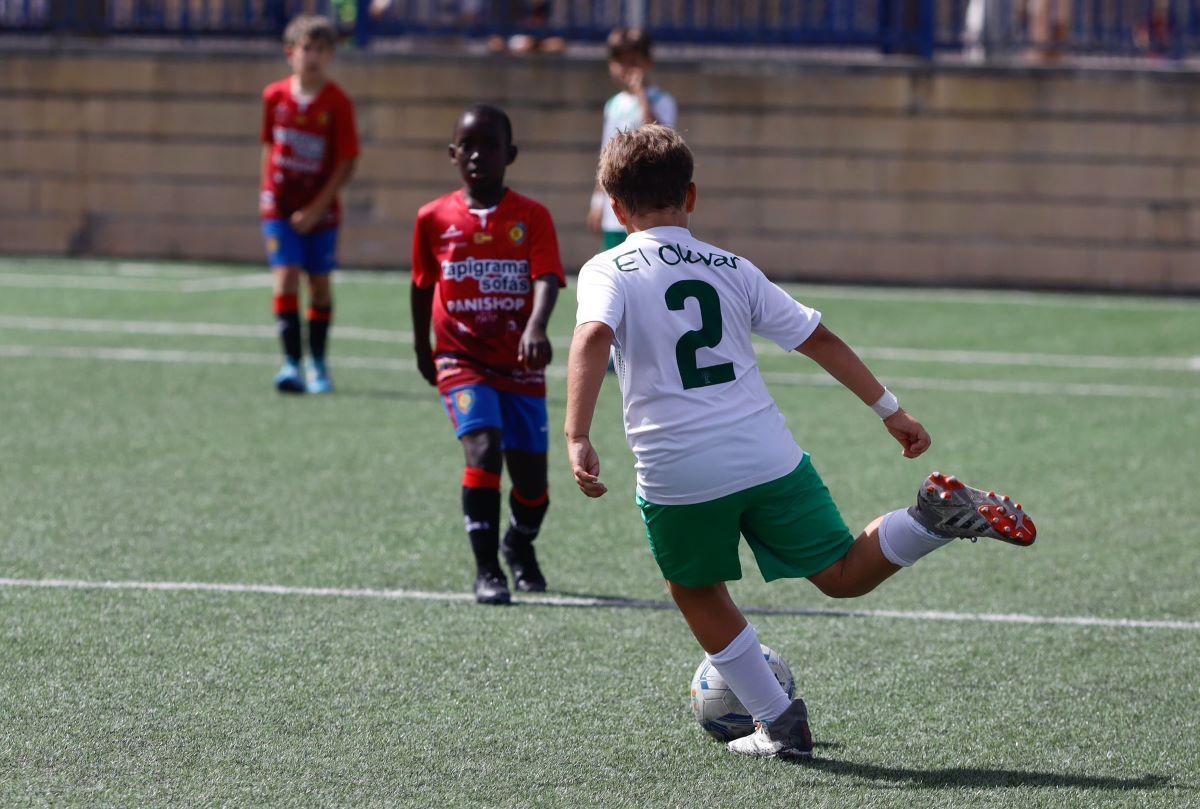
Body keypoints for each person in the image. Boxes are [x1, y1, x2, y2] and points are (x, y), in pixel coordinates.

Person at [565, 125, 1037, 760]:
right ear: (692, 196)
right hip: (767, 456)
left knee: (696, 589)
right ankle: (929, 520)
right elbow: (819, 338)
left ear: (615, 209)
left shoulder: (606, 267)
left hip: (680, 469)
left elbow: (594, 336)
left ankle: (781, 725)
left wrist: (576, 433)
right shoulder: (733, 267)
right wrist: (889, 410)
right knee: (841, 573)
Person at [411, 104, 566, 605]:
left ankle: (518, 545)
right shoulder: (432, 219)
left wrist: (536, 326)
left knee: (534, 490)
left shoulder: (532, 217)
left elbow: (546, 276)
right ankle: (487, 571)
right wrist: (422, 347)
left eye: (490, 147)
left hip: (519, 365)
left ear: (511, 155)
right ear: (453, 154)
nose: (478, 156)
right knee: (483, 448)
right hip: (461, 359)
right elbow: (421, 286)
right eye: (468, 146)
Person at [260, 14, 360, 394]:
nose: (313, 57)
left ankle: (318, 362)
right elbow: (269, 147)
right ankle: (290, 363)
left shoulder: (337, 103)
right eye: (307, 48)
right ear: (290, 53)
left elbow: (346, 161)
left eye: (321, 49)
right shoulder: (274, 97)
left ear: (331, 56)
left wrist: (319, 207)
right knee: (285, 278)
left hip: (321, 211)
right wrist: (264, 193)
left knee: (318, 285)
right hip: (280, 208)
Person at [587, 28, 676, 252]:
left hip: (648, 199)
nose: (626, 68)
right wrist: (597, 201)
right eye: (620, 61)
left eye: (634, 61)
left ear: (648, 63)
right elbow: (606, 154)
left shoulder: (662, 100)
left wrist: (641, 95)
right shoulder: (614, 104)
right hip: (616, 200)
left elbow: (660, 136)